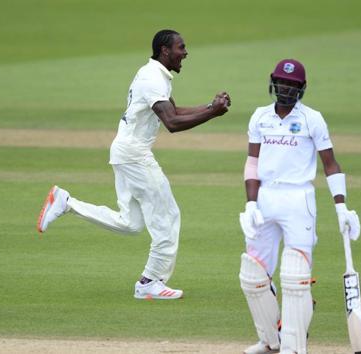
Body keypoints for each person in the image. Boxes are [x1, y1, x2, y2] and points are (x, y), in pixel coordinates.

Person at [36, 29, 231, 300]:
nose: (185, 53)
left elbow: (174, 111)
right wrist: (212, 113)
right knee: (168, 216)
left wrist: (211, 106)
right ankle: (150, 282)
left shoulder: (156, 74)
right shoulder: (153, 78)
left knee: (131, 223)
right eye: (180, 48)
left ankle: (66, 202)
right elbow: (172, 123)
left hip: (125, 151)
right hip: (135, 155)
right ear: (165, 50)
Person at [238, 59, 361, 354]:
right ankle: (270, 340)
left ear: (301, 88)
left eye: (292, 84)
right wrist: (251, 204)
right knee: (252, 274)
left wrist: (341, 207)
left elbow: (330, 164)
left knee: (295, 277)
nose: (286, 88)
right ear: (273, 82)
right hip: (266, 199)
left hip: (298, 200)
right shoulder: (259, 117)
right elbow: (253, 162)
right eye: (282, 82)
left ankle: (294, 347)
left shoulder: (312, 119)